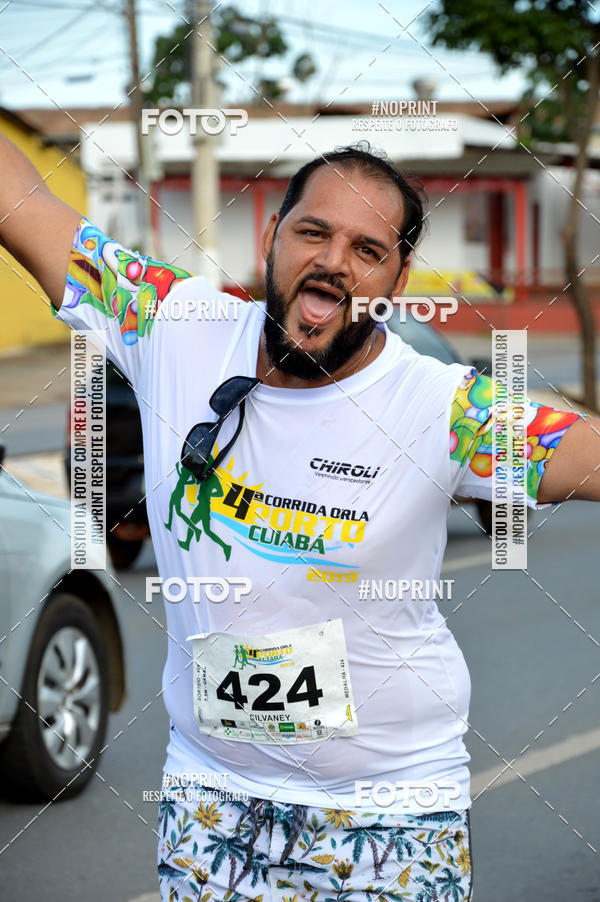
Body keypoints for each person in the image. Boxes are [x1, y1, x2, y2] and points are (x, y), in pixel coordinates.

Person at [1, 137, 599, 902]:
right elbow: (25, 206)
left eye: (368, 250)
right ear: (271, 235)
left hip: (391, 819)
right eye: (314, 231)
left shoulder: (444, 410)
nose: (334, 262)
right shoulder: (172, 325)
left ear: (397, 279)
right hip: (210, 806)